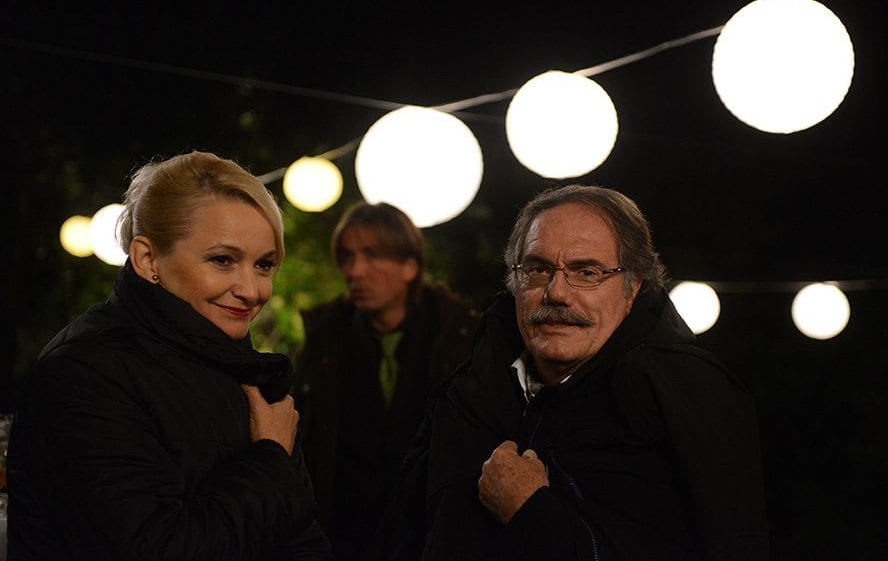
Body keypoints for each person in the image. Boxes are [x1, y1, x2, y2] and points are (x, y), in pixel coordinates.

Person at [376, 184, 770, 560]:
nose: (557, 292)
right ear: (515, 282)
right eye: (537, 269)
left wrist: (531, 511)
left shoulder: (681, 398)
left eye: (587, 272)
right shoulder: (464, 400)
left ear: (633, 288)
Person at [7, 151, 332, 560]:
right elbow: (156, 548)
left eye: (264, 265)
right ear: (148, 260)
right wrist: (269, 458)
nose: (252, 291)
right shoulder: (83, 373)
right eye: (222, 260)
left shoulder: (247, 371)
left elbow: (301, 537)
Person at [292, 201, 480, 560]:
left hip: (428, 536)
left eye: (372, 256)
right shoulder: (325, 340)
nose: (355, 271)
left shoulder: (458, 338)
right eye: (347, 257)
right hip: (344, 536)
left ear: (410, 266)